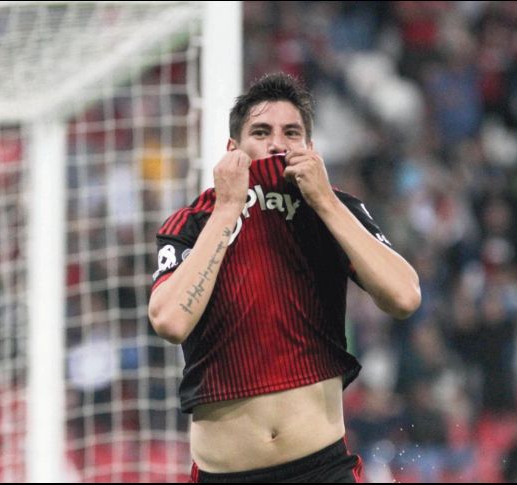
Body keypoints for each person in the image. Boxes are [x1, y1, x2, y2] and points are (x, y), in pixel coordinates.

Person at [148, 73, 421, 483]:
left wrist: (326, 200)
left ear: (310, 148)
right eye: (261, 132)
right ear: (232, 150)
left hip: (321, 468)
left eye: (292, 133)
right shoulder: (193, 223)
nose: (278, 144)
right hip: (225, 474)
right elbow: (170, 321)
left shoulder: (334, 211)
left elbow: (404, 297)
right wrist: (227, 211)